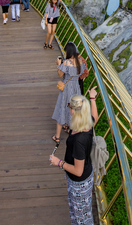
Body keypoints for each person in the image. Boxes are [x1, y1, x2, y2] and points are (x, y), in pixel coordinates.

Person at [49, 87, 99, 225]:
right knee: (81, 212)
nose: (68, 109)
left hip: (79, 184)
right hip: (85, 177)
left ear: (74, 112)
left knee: (81, 218)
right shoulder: (86, 123)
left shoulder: (79, 141)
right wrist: (92, 98)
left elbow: (78, 171)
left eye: (69, 106)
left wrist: (59, 163)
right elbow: (95, 116)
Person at [52, 41, 85, 142]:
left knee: (62, 107)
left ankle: (57, 136)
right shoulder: (80, 61)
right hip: (76, 88)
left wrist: (59, 64)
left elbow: (60, 75)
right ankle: (70, 128)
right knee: (74, 109)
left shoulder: (67, 62)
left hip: (67, 89)